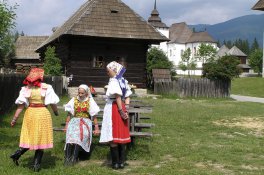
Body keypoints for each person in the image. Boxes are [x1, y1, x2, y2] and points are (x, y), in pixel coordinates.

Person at [10, 68, 59, 172]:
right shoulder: (47, 87)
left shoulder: (26, 89)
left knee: (30, 136)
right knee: (40, 138)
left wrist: (14, 119)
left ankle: (17, 153)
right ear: (41, 77)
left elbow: (21, 105)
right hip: (42, 113)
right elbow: (52, 102)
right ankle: (36, 165)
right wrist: (56, 112)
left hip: (30, 113)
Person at [99, 61, 132, 169]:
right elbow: (127, 96)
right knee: (121, 134)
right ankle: (121, 162)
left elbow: (117, 96)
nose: (107, 73)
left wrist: (121, 111)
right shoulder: (123, 80)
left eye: (108, 71)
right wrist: (126, 108)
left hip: (114, 107)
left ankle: (115, 163)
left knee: (112, 133)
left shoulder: (114, 81)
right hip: (121, 106)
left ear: (114, 70)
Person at [64, 84, 100, 166]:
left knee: (77, 136)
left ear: (86, 93)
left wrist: (96, 127)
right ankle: (67, 158)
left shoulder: (90, 101)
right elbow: (69, 114)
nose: (80, 95)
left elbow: (94, 115)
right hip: (74, 121)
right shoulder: (74, 100)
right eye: (79, 93)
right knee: (70, 137)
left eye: (82, 93)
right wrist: (66, 125)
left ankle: (74, 158)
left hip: (85, 122)